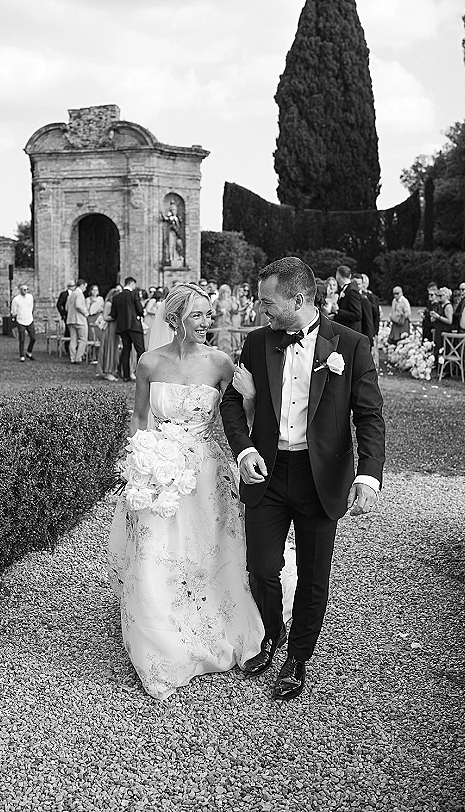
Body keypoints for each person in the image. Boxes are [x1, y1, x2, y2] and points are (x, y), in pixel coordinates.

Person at [220, 257, 385, 701]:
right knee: (261, 567)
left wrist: (368, 476)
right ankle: (270, 635)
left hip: (320, 479)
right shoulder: (257, 343)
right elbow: (232, 405)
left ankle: (298, 657)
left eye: (267, 302)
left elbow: (369, 416)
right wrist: (245, 449)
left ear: (298, 299)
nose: (260, 311)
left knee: (313, 577)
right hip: (266, 474)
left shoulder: (349, 346)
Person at [108, 283, 264, 700]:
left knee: (208, 551)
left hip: (204, 470)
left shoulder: (220, 362)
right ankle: (160, 640)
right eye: (198, 315)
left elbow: (238, 414)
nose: (206, 322)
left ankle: (216, 624)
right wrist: (137, 463)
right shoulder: (148, 362)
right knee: (155, 553)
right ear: (175, 320)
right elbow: (140, 416)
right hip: (156, 469)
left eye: (208, 314)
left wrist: (249, 398)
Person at [110, 277, 145, 382]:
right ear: (132, 284)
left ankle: (125, 375)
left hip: (122, 327)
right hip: (134, 325)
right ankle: (141, 375)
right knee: (140, 350)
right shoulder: (133, 294)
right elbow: (140, 310)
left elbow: (113, 314)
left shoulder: (116, 297)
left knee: (126, 349)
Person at [95, 286, 121, 381]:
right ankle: (107, 370)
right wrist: (115, 317)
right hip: (110, 328)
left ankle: (112, 369)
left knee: (114, 348)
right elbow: (105, 317)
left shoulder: (114, 304)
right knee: (108, 348)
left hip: (115, 328)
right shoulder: (108, 304)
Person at [430, 287, 454, 373]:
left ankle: (445, 371)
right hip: (438, 330)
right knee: (437, 349)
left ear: (447, 296)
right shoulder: (440, 305)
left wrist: (438, 317)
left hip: (445, 331)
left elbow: (449, 321)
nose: (439, 297)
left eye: (441, 295)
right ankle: (437, 368)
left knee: (444, 350)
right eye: (438, 295)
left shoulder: (448, 307)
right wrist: (434, 318)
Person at [212, 283, 240, 357]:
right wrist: (219, 313)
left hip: (228, 325)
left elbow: (235, 312)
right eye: (227, 292)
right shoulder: (217, 301)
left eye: (229, 292)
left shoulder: (230, 301)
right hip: (219, 325)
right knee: (219, 346)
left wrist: (235, 302)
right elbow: (211, 314)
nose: (228, 294)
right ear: (222, 292)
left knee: (228, 346)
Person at [11, 283, 36, 362]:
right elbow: (14, 311)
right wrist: (16, 316)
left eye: (27, 289)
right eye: (24, 289)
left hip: (29, 319)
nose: (26, 291)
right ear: (20, 290)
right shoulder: (16, 299)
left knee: (33, 338)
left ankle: (29, 352)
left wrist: (29, 314)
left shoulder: (30, 297)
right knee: (22, 339)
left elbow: (31, 306)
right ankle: (22, 355)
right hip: (21, 320)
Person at [333, 266, 362, 332]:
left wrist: (338, 311)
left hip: (349, 331)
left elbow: (357, 315)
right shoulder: (344, 289)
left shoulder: (352, 291)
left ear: (338, 276)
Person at [66, 279, 89, 364]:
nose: (85, 289)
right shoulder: (79, 294)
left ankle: (72, 357)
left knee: (73, 340)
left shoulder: (71, 294)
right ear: (82, 285)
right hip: (80, 320)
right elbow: (78, 305)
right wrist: (86, 312)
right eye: (85, 287)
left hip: (71, 319)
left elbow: (66, 307)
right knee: (83, 339)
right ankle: (78, 357)